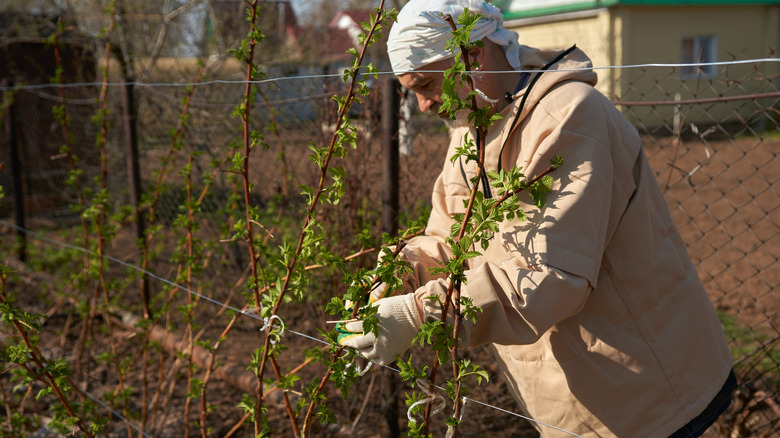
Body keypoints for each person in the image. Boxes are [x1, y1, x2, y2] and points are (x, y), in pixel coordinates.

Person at [338, 0, 736, 436]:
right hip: (569, 394)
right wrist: (401, 273)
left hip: (645, 392)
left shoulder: (571, 116)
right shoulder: (475, 126)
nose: (424, 105)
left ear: (473, 55)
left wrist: (420, 314)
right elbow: (452, 238)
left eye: (428, 84)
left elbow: (551, 276)